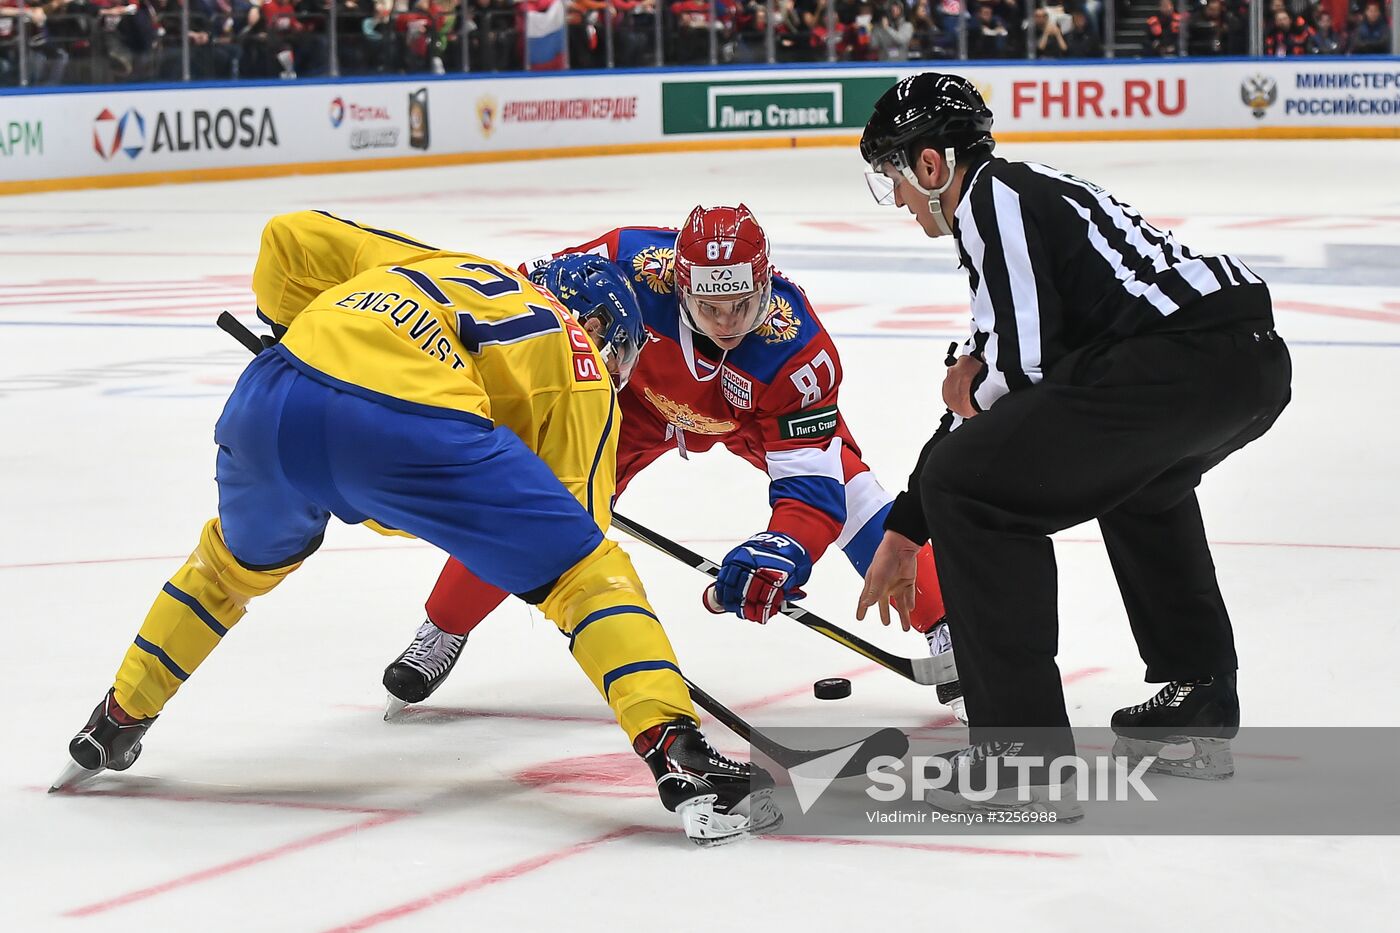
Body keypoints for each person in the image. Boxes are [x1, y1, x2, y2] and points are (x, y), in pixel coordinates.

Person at [51, 210, 781, 847]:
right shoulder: (581, 355)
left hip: (268, 398)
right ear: (599, 327)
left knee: (223, 572)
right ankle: (676, 748)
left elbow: (289, 240)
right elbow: (571, 555)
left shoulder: (447, 264)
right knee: (588, 575)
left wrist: (297, 333)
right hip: (407, 434)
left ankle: (115, 718)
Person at [855, 74, 1292, 817]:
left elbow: (1015, 377)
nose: (896, 198)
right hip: (1242, 362)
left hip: (1181, 359)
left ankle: (1019, 757)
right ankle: (1200, 696)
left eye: (893, 174)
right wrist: (906, 523)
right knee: (1137, 481)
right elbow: (1010, 379)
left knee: (971, 487)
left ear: (930, 166)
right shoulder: (1027, 199)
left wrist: (968, 390)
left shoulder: (991, 198)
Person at [376, 205, 960, 719]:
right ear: (680, 289)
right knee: (537, 500)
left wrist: (786, 549)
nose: (729, 323)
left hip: (751, 416)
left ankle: (952, 629)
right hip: (633, 401)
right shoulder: (621, 263)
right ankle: (443, 626)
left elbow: (813, 491)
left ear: (766, 284)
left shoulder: (797, 352)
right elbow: (523, 303)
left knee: (856, 494)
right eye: (710, 307)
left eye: (744, 305)